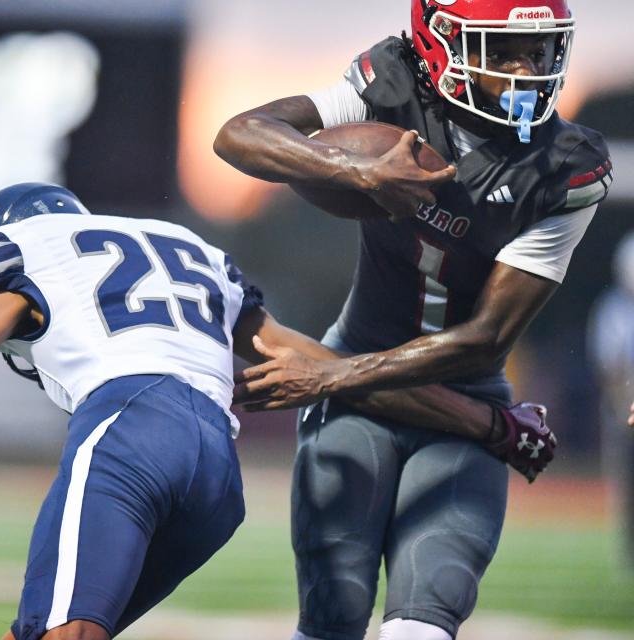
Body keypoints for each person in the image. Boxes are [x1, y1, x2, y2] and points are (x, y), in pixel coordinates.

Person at [0, 182, 554, 640]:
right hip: (214, 478)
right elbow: (334, 372)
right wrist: (489, 421)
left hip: (128, 430)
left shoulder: (27, 251)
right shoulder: (182, 248)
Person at [214, 1, 610, 639]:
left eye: (536, 50)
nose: (525, 70)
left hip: (453, 392)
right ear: (440, 45)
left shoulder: (562, 167)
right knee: (332, 614)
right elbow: (238, 133)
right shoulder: (394, 82)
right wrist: (359, 170)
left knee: (424, 620)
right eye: (501, 49)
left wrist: (327, 378)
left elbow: (484, 341)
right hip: (367, 393)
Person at [588, 231, 634, 572]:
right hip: (624, 411)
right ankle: (629, 553)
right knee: (627, 485)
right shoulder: (613, 308)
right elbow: (609, 366)